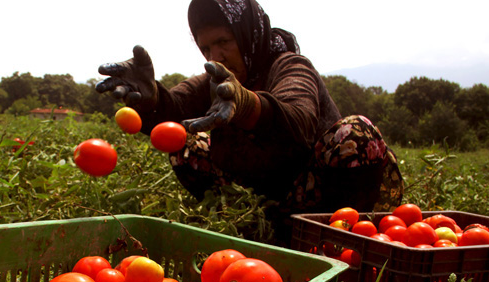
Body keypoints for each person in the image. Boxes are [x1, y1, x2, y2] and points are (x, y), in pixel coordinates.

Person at [96, 0, 404, 244]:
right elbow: (175, 109)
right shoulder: (215, 79)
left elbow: (298, 119)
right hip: (262, 201)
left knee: (357, 133)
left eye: (224, 41)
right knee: (185, 140)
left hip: (315, 201)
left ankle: (344, 245)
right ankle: (250, 233)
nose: (216, 55)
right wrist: (152, 99)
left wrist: (247, 104)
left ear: (247, 35)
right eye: (206, 48)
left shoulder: (289, 65)